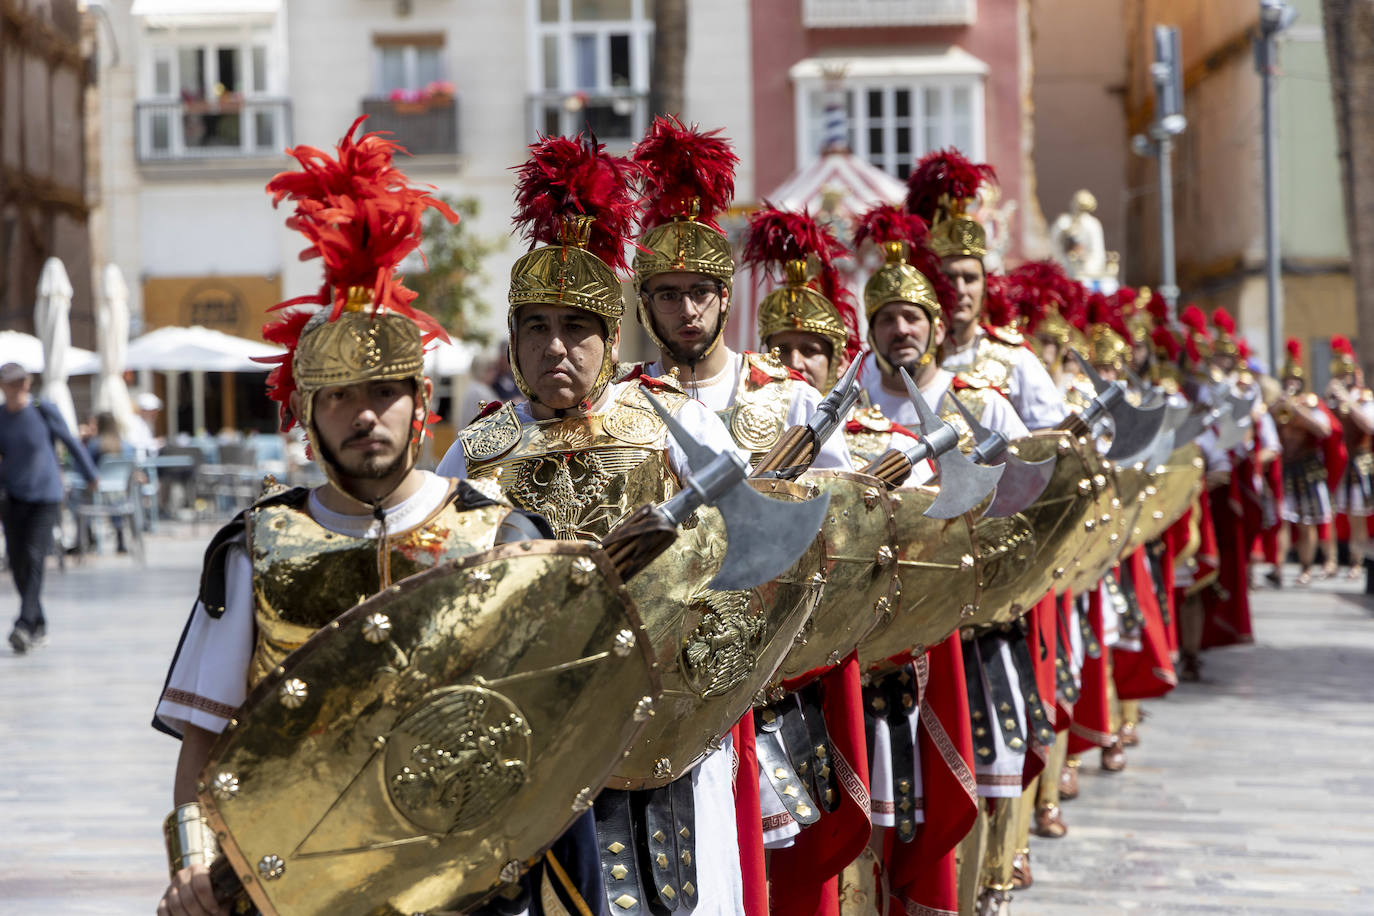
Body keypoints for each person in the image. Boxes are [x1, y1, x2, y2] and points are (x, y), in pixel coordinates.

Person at [152, 121, 567, 916]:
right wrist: (190, 868)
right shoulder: (254, 549)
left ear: (422, 410)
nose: (364, 415)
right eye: (340, 396)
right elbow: (206, 746)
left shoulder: (500, 536)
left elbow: (545, 726)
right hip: (297, 886)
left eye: (384, 392)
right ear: (308, 418)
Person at [438, 132, 752, 916]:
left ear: (612, 338)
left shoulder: (675, 425)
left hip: (661, 729)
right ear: (512, 339)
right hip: (528, 738)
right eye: (535, 327)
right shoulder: (476, 452)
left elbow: (745, 562)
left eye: (576, 328)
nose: (555, 348)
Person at [627, 117, 853, 473]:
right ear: (644, 306)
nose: (688, 310)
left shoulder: (794, 398)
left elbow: (840, 514)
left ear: (725, 297)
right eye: (668, 295)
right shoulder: (623, 399)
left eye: (701, 292)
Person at [0, 361, 99, 653]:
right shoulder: (1, 417)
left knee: (34, 556)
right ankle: (37, 624)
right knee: (17, 561)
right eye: (10, 383)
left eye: (21, 382)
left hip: (45, 495)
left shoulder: (44, 410)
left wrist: (90, 474)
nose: (17, 388)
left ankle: (23, 623)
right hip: (11, 497)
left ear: (28, 384)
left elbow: (69, 441)